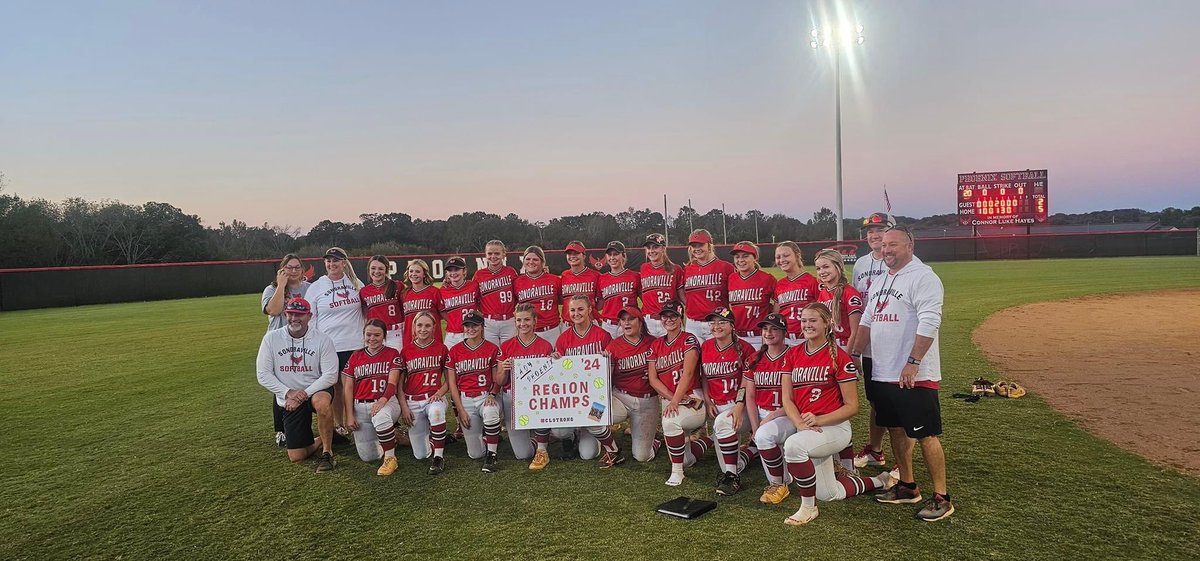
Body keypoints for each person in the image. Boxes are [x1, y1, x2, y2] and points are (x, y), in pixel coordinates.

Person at [853, 225, 954, 522]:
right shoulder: (882, 279)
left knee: (926, 435)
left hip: (914, 374)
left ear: (910, 245)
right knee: (896, 429)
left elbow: (930, 321)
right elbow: (868, 320)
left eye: (893, 244)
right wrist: (854, 354)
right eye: (884, 245)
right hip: (883, 370)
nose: (886, 250)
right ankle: (908, 486)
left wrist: (913, 361)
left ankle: (942, 497)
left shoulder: (924, 277)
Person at [780, 303, 897, 525]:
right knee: (829, 493)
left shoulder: (839, 357)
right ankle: (880, 481)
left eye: (813, 320)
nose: (807, 325)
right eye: (804, 320)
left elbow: (852, 406)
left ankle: (808, 508)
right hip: (808, 428)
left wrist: (818, 420)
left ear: (827, 323)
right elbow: (787, 398)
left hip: (834, 428)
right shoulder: (793, 353)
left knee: (794, 446)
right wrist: (800, 424)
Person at [255, 298, 339, 472]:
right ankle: (323, 437)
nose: (294, 318)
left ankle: (327, 452)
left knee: (322, 403)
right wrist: (288, 392)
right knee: (297, 456)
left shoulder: (323, 340)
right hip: (289, 397)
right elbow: (263, 374)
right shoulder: (271, 339)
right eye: (291, 314)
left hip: (315, 389)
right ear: (285, 314)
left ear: (309, 316)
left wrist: (303, 395)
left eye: (300, 314)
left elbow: (330, 375)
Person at [647, 300, 711, 486]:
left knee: (669, 422)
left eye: (673, 316)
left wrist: (676, 401)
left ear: (680, 317)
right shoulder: (656, 344)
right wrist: (673, 399)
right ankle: (710, 441)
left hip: (692, 396)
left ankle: (677, 473)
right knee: (686, 459)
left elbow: (688, 373)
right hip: (674, 398)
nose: (669, 319)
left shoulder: (689, 339)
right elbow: (653, 379)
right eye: (665, 316)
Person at [851, 212, 895, 470]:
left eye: (880, 229)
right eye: (870, 231)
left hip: (892, 340)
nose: (874, 235)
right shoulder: (860, 264)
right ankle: (876, 450)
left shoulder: (899, 262)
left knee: (897, 401)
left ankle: (902, 460)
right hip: (868, 342)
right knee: (875, 400)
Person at [306, 247, 364, 437]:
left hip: (355, 344)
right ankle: (340, 424)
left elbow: (366, 310)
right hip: (330, 346)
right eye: (328, 261)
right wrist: (313, 343)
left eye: (336, 260)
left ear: (344, 262)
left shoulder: (355, 283)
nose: (332, 264)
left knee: (355, 385)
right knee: (337, 387)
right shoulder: (316, 287)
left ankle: (358, 421)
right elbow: (310, 319)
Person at [554, 295, 617, 466]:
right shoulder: (563, 338)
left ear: (590, 310)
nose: (576, 314)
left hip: (596, 398)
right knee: (558, 431)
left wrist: (608, 361)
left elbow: (611, 372)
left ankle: (599, 436)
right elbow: (559, 375)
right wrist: (555, 361)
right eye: (573, 310)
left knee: (588, 454)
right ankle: (572, 434)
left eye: (580, 309)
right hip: (573, 397)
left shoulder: (603, 335)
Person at [702, 306, 760, 496]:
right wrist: (708, 401)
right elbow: (704, 377)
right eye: (713, 322)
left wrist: (739, 406)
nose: (716, 326)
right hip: (717, 405)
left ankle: (732, 478)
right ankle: (753, 450)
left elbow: (747, 382)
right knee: (734, 463)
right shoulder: (706, 346)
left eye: (722, 322)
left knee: (730, 467)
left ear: (732, 326)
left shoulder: (745, 348)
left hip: (740, 407)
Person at [743, 312, 798, 505]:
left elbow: (798, 397)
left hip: (787, 413)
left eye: (774, 329)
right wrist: (754, 426)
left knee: (764, 436)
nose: (768, 332)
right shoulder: (755, 358)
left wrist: (772, 416)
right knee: (761, 436)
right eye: (765, 329)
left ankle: (778, 485)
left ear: (784, 333)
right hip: (762, 412)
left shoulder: (794, 355)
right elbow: (750, 396)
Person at [339, 319, 405, 475]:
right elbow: (348, 388)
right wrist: (349, 415)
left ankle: (390, 458)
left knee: (380, 416)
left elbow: (392, 383)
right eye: (369, 335)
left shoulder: (392, 353)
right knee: (369, 456)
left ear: (384, 336)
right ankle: (392, 437)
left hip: (387, 402)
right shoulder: (356, 356)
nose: (372, 338)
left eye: (377, 335)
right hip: (360, 406)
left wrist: (382, 400)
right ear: (363, 335)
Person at [261, 253, 311, 446]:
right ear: (282, 269)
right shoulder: (271, 289)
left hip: (304, 341)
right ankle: (281, 430)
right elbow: (273, 310)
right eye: (289, 267)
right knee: (281, 385)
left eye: (297, 267)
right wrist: (281, 286)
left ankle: (303, 425)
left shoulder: (309, 288)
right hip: (279, 342)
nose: (293, 271)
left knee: (304, 381)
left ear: (302, 269)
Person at [495, 302, 553, 467]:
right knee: (523, 454)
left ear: (535, 321)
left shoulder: (545, 346)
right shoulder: (506, 346)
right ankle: (536, 438)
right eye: (519, 320)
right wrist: (504, 370)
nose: (523, 324)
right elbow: (499, 381)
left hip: (537, 397)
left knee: (547, 415)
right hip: (512, 397)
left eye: (527, 319)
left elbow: (550, 381)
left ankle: (542, 445)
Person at [446, 311, 503, 472]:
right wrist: (460, 411)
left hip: (486, 396)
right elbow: (452, 384)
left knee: (491, 411)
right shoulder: (455, 350)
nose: (471, 329)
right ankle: (489, 436)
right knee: (475, 454)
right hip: (466, 400)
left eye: (475, 325)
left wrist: (492, 394)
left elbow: (496, 379)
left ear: (482, 326)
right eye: (467, 326)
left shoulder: (492, 348)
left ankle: (492, 455)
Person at [603, 306, 660, 463]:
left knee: (642, 457)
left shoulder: (653, 343)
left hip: (647, 402)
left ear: (640, 322)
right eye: (623, 320)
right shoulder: (614, 346)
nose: (626, 323)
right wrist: (603, 363)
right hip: (621, 397)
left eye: (631, 319)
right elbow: (605, 379)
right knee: (593, 415)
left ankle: (654, 442)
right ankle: (612, 449)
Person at [398, 312, 451, 475]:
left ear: (434, 328)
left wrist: (440, 393)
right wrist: (404, 407)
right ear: (414, 327)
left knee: (436, 412)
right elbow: (399, 385)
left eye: (428, 325)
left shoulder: (442, 348)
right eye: (419, 325)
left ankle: (439, 457)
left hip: (433, 397)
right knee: (421, 455)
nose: (423, 329)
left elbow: (450, 380)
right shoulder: (406, 351)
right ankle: (435, 438)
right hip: (412, 400)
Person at [681, 229, 734, 343]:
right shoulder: (688, 269)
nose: (697, 249)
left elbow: (735, 296)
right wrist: (692, 306)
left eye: (700, 245)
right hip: (692, 324)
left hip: (717, 322)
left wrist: (725, 317)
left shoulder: (726, 267)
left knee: (717, 354)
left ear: (709, 245)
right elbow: (683, 293)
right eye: (694, 246)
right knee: (693, 354)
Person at [813, 248, 864, 353]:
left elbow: (856, 331)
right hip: (825, 347)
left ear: (838, 267)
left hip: (844, 347)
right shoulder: (822, 293)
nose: (822, 272)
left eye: (826, 267)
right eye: (818, 268)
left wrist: (848, 355)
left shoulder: (850, 293)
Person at [727, 241, 776, 348]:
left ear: (755, 258)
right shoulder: (731, 278)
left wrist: (772, 324)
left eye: (745, 256)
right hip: (737, 337)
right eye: (737, 257)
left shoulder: (767, 279)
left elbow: (779, 302)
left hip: (760, 337)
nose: (740, 260)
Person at [773, 241, 820, 347]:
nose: (782, 260)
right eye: (778, 257)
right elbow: (776, 314)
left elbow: (823, 312)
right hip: (785, 340)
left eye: (786, 255)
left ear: (797, 255)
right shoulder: (779, 284)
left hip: (808, 339)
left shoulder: (812, 281)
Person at [474, 240, 518, 346]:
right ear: (485, 255)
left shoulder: (511, 272)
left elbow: (519, 294)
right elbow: (474, 298)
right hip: (488, 322)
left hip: (509, 320)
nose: (493, 256)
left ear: (503, 254)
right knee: (491, 353)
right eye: (490, 253)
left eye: (497, 253)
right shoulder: (479, 275)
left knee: (510, 352)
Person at [514, 245, 562, 343]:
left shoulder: (555, 280)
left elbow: (563, 301)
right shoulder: (517, 282)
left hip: (551, 330)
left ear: (542, 262)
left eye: (535, 259)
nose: (531, 262)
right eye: (528, 259)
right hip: (528, 331)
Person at [639, 233, 683, 337]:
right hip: (648, 321)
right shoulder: (644, 268)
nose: (651, 251)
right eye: (648, 248)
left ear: (663, 248)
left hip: (669, 319)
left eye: (655, 247)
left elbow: (681, 296)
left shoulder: (675, 269)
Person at [596, 241, 641, 339]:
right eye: (609, 255)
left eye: (616, 254)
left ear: (623, 256)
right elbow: (600, 303)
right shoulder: (601, 278)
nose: (612, 258)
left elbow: (645, 300)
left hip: (629, 323)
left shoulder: (635, 276)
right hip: (608, 325)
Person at [360, 255, 404, 350]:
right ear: (368, 270)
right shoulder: (364, 291)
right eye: (373, 268)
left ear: (386, 270)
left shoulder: (397, 286)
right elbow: (365, 314)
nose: (376, 271)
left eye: (380, 268)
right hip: (374, 335)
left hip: (395, 334)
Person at [440, 256, 481, 349]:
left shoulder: (473, 286)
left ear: (464, 271)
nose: (453, 273)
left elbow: (482, 304)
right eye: (450, 270)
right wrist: (452, 320)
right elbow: (441, 310)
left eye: (456, 269)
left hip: (471, 332)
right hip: (452, 335)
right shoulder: (443, 290)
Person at [401, 259, 443, 347]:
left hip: (432, 339)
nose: (413, 274)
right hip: (410, 340)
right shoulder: (404, 293)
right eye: (411, 271)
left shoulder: (434, 292)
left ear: (424, 274)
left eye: (417, 271)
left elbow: (443, 314)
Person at [559, 240, 600, 329]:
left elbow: (601, 300)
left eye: (576, 253)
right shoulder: (564, 275)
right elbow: (561, 299)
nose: (572, 256)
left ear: (584, 255)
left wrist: (591, 309)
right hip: (568, 325)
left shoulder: (595, 275)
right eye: (569, 254)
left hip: (589, 322)